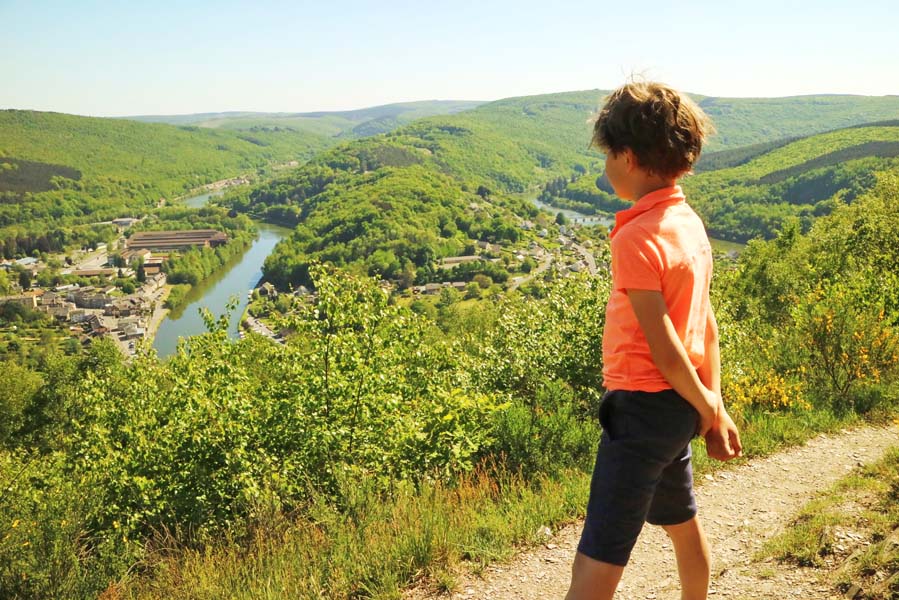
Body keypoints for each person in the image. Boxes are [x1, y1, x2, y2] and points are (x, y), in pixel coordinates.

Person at [566, 81, 742, 600]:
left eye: (607, 158)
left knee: (598, 555)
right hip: (677, 410)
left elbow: (662, 346)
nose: (605, 169)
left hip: (642, 410)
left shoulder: (635, 237)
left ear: (628, 156)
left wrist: (710, 410)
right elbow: (704, 323)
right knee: (682, 523)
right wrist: (712, 404)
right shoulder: (688, 223)